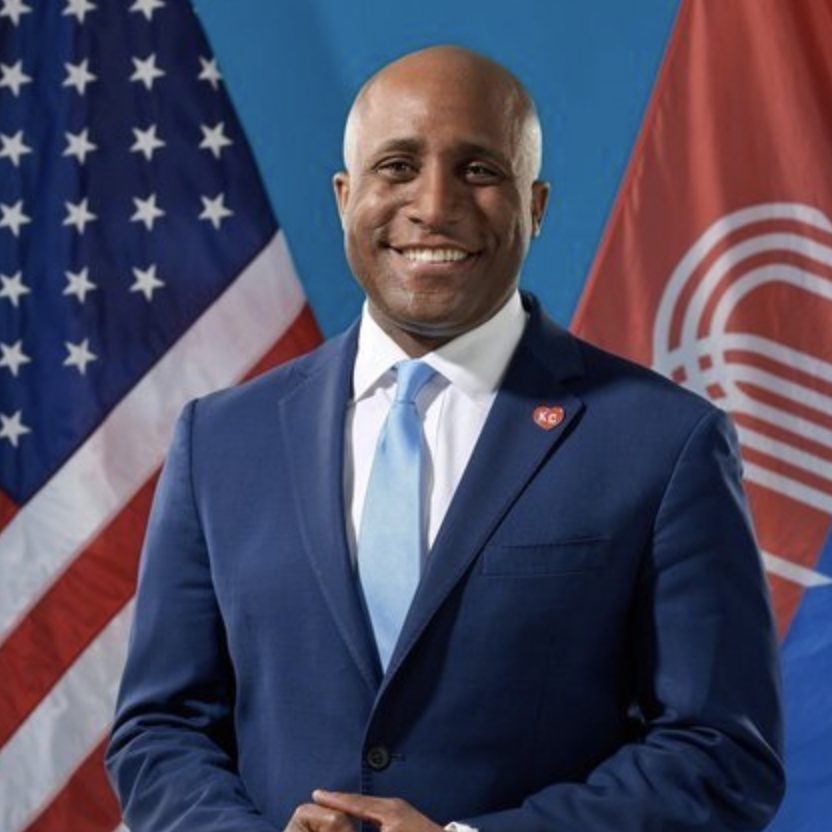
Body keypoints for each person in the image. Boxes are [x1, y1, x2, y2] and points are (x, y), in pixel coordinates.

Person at [106, 46, 785, 832]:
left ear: (535, 206)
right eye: (396, 166)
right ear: (343, 197)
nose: (433, 204)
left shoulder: (665, 443)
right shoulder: (220, 441)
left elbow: (721, 752)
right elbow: (159, 730)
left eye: (478, 170)